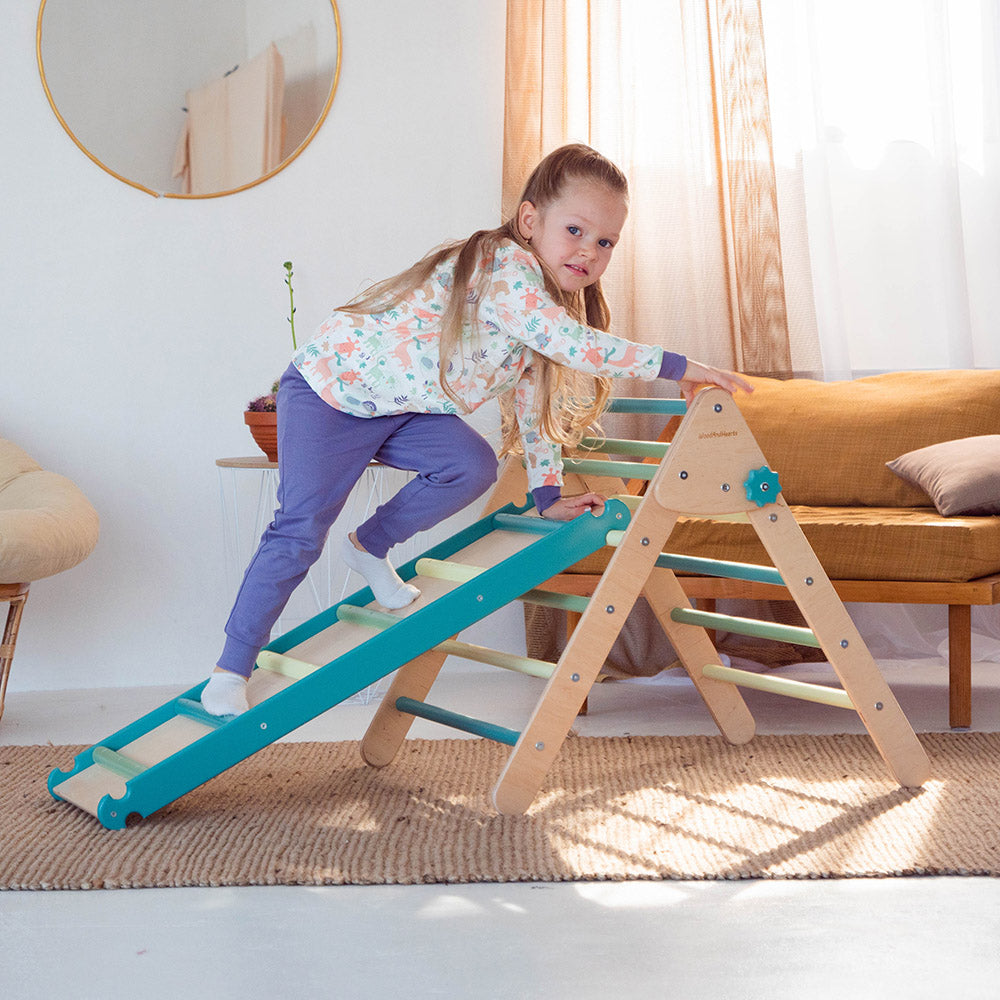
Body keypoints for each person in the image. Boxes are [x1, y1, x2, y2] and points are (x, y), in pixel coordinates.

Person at [201, 143, 753, 717]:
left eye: (605, 242)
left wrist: (546, 495)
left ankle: (369, 545)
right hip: (328, 394)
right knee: (298, 530)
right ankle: (230, 669)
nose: (588, 251)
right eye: (575, 230)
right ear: (530, 220)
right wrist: (680, 366)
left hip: (400, 408)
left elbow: (534, 404)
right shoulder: (505, 270)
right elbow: (576, 346)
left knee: (470, 465)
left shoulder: (540, 306)